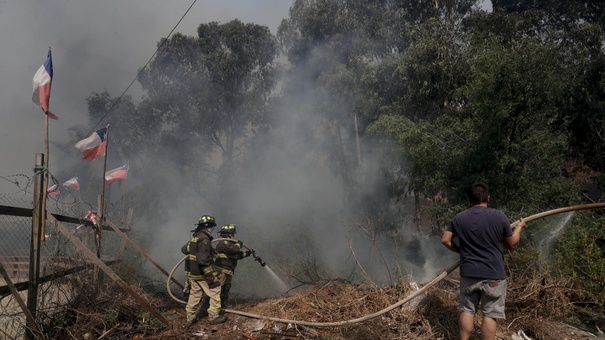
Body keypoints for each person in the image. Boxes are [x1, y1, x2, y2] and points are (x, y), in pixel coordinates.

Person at [441, 182, 526, 340]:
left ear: (469, 199)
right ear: (488, 197)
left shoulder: (459, 218)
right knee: (490, 314)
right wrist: (519, 227)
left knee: (467, 310)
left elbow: (445, 240)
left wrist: (461, 251)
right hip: (493, 274)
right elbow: (511, 244)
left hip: (469, 273)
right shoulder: (499, 216)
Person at [181, 215, 228, 327]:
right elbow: (202, 259)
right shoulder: (205, 239)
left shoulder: (196, 237)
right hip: (202, 273)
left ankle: (190, 318)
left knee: (195, 295)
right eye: (211, 227)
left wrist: (212, 251)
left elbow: (187, 250)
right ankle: (214, 317)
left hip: (194, 273)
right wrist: (209, 275)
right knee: (215, 290)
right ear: (208, 227)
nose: (212, 230)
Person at [213, 224, 251, 307]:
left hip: (228, 270)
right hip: (221, 270)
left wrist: (248, 253)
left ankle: (223, 303)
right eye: (233, 234)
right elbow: (233, 250)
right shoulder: (224, 242)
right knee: (218, 288)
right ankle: (213, 306)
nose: (233, 236)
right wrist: (239, 244)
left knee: (226, 288)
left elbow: (236, 255)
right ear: (229, 234)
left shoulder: (229, 244)